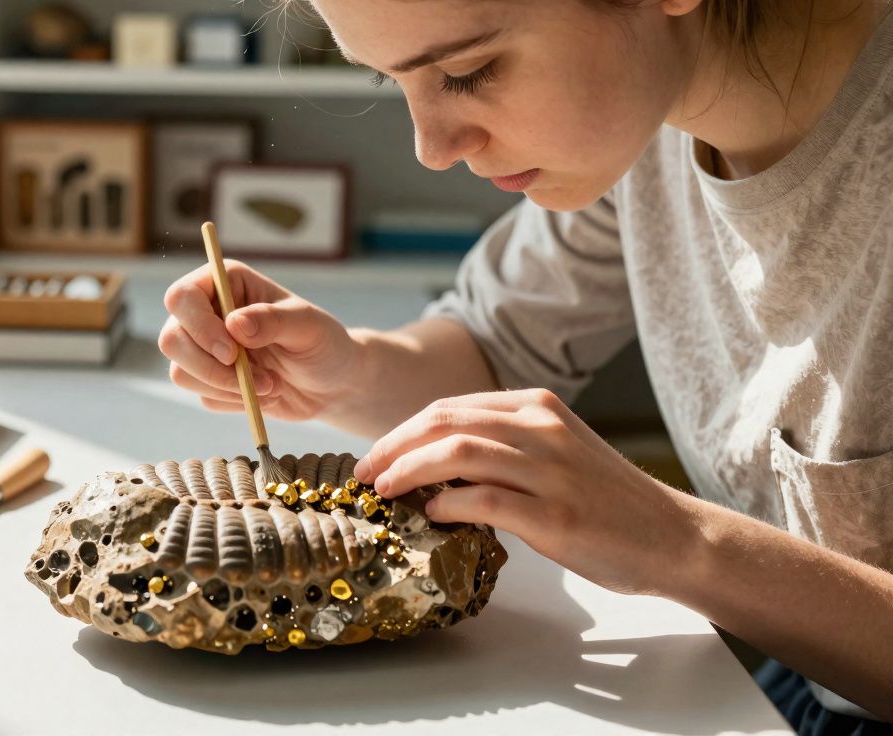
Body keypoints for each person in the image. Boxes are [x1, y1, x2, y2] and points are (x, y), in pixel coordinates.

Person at [157, 0, 893, 729]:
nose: (432, 148)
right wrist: (339, 372)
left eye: (467, 71)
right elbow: (493, 348)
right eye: (392, 80)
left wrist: (680, 545)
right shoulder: (650, 123)